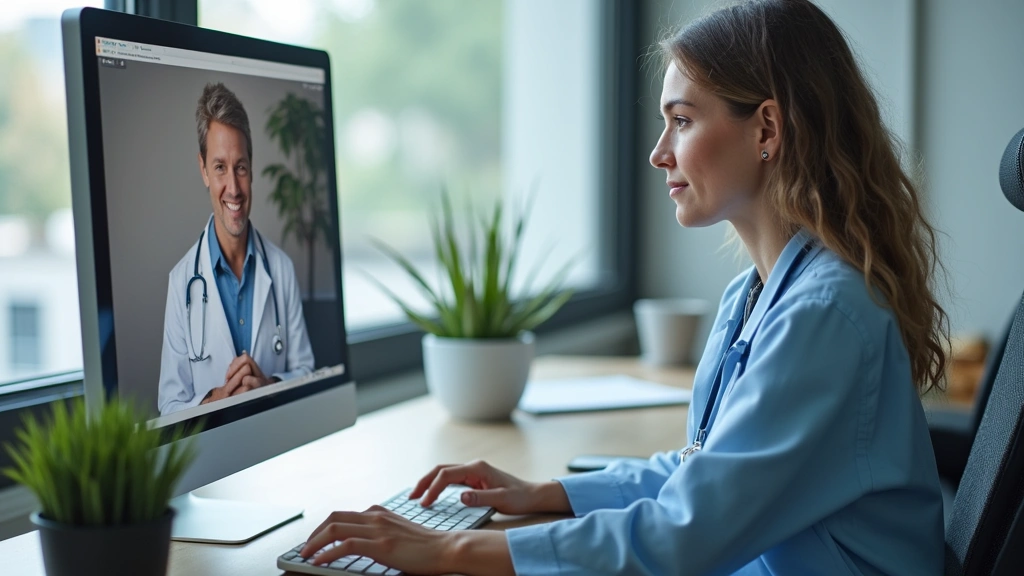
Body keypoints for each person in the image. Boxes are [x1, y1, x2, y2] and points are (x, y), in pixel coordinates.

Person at [300, 0, 948, 573]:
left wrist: (448, 551)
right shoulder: (754, 296)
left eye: (683, 120)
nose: (658, 152)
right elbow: (707, 473)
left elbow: (682, 538)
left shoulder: (823, 314)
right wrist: (545, 493)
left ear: (767, 131)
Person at [158, 82, 314, 416]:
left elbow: (307, 375)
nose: (233, 188)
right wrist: (216, 401)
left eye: (240, 167)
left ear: (252, 168)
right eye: (219, 168)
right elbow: (168, 406)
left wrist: (269, 386)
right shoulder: (180, 281)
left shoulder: (281, 269)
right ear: (203, 170)